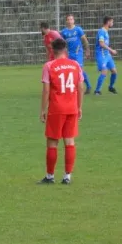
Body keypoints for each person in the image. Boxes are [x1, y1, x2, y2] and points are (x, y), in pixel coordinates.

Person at [38, 38, 84, 185]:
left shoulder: (49, 66)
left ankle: (50, 176)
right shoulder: (75, 64)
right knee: (69, 141)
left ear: (52, 50)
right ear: (65, 50)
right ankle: (67, 176)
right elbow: (80, 87)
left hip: (57, 108)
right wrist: (79, 107)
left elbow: (46, 90)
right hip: (72, 108)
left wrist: (43, 109)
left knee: (52, 142)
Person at [60, 14, 92, 94]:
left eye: (71, 19)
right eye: (68, 19)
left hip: (78, 53)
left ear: (73, 20)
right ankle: (71, 87)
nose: (70, 21)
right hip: (70, 54)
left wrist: (87, 50)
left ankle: (88, 86)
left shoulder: (78, 29)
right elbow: (61, 43)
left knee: (79, 69)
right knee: (70, 70)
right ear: (66, 21)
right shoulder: (64, 32)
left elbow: (85, 40)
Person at [94, 16, 118, 95]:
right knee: (104, 71)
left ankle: (111, 87)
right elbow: (101, 44)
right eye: (112, 22)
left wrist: (109, 51)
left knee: (114, 71)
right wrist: (111, 50)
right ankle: (97, 90)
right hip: (101, 54)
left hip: (107, 54)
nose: (112, 23)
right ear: (108, 22)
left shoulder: (106, 31)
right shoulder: (102, 31)